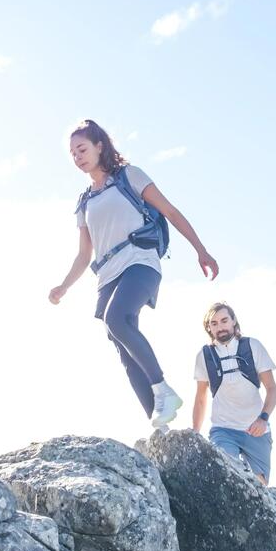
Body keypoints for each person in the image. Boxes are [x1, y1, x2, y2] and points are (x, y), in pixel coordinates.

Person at [49, 119, 218, 428]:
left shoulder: (130, 176)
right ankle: (161, 423)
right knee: (125, 352)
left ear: (100, 146)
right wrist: (63, 286)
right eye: (72, 153)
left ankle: (162, 388)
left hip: (140, 262)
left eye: (82, 149)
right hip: (107, 276)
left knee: (117, 319)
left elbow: (170, 211)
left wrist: (200, 250)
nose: (77, 157)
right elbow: (84, 254)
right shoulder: (84, 201)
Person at [192, 302, 276, 484]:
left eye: (224, 321)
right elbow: (200, 398)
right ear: (209, 328)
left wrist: (263, 419)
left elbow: (272, 389)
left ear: (233, 321)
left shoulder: (252, 346)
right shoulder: (204, 355)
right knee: (226, 475)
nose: (220, 327)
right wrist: (195, 434)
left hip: (256, 430)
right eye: (214, 323)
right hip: (223, 429)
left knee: (259, 487)